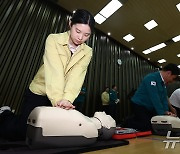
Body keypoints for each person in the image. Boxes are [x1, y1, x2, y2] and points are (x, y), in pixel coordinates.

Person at [0, 9, 95, 141]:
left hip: (61, 99)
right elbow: (54, 70)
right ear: (70, 24)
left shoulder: (88, 52)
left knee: (49, 132)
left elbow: (77, 76)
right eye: (78, 31)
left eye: (86, 35)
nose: (80, 38)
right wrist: (58, 101)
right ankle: (5, 114)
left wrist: (67, 99)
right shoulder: (53, 39)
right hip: (39, 91)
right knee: (24, 131)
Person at [125, 63, 180, 131]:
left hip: (149, 107)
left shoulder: (163, 83)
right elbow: (154, 97)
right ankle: (127, 122)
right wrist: (162, 113)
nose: (172, 81)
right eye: (173, 78)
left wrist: (166, 112)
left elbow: (163, 98)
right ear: (169, 73)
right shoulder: (151, 78)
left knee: (154, 124)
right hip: (139, 105)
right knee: (147, 126)